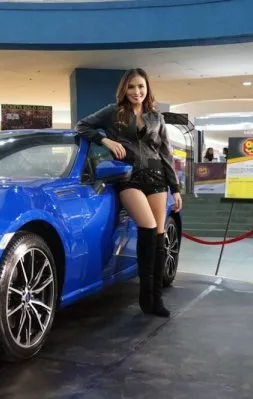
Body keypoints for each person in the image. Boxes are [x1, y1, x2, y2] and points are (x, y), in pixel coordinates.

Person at [75, 68, 182, 318]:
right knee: (147, 227)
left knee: (158, 233)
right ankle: (145, 297)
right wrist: (105, 141)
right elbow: (82, 126)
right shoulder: (113, 112)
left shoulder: (156, 117)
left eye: (141, 87)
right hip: (128, 177)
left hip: (157, 178)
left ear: (147, 89)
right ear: (125, 89)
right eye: (132, 87)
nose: (137, 92)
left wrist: (175, 188)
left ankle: (156, 299)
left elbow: (166, 154)